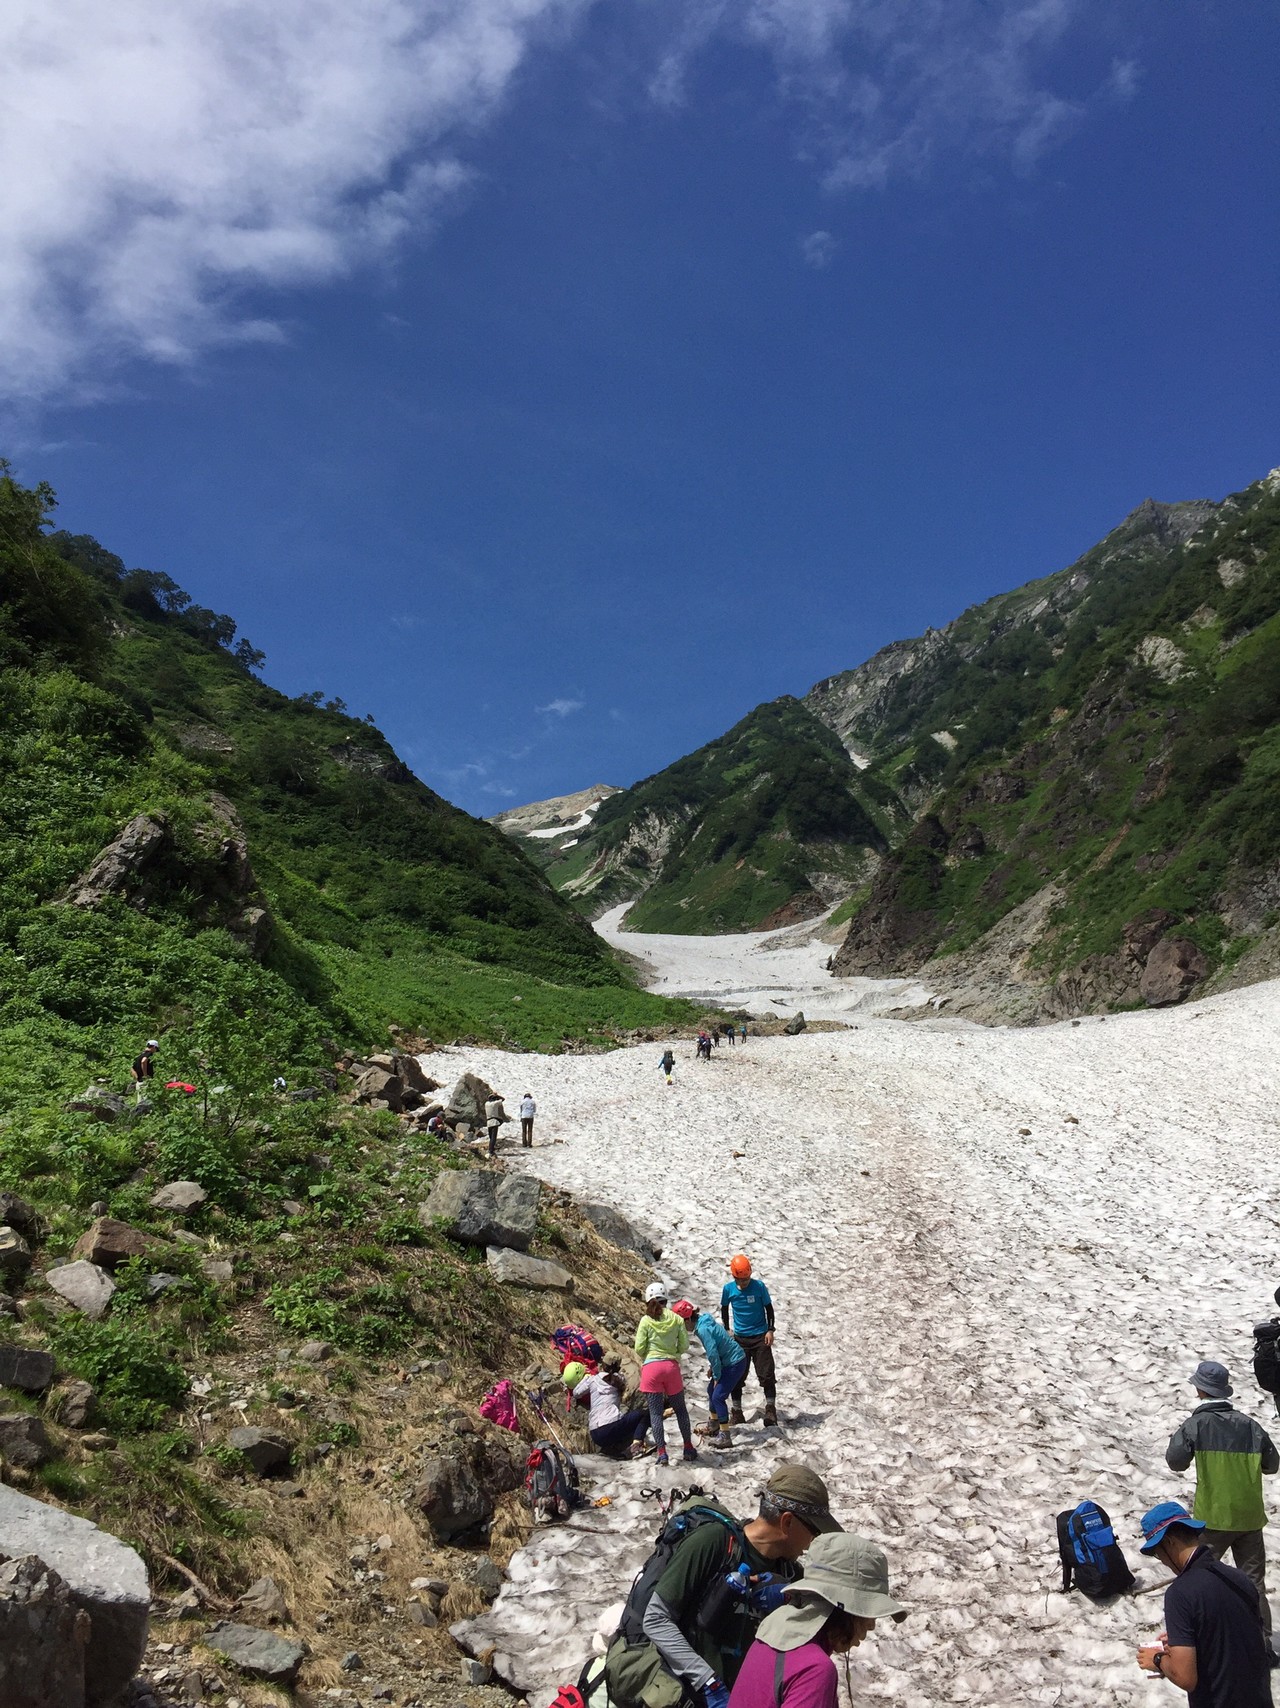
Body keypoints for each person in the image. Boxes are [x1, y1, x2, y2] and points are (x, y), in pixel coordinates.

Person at [629, 1464, 841, 1708]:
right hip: (688, 1695)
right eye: (814, 1531)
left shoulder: (790, 1573)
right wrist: (708, 1682)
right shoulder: (712, 1543)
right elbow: (656, 1619)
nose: (814, 1542)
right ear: (787, 1522)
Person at [729, 1530, 908, 1708]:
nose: (871, 1625)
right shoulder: (814, 1670)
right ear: (844, 1609)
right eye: (867, 1612)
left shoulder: (768, 1637)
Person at [1167, 1360, 1279, 1643]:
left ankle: (1207, 1640)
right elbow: (1272, 1465)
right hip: (1250, 1517)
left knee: (1203, 1581)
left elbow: (1175, 1461)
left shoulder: (1196, 1425)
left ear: (1200, 1391)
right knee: (1253, 1583)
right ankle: (1262, 1642)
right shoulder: (1250, 1425)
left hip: (1213, 1517)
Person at [1135, 1500, 1273, 1705]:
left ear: (1170, 1542)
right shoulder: (1239, 1578)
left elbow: (1185, 1678)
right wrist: (1187, 1640)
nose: (1162, 1560)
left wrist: (1157, 1660)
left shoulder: (1180, 1594)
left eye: (1157, 1552)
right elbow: (1234, 1639)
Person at [634, 1282, 696, 1466]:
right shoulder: (676, 1319)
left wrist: (649, 1355)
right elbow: (684, 1345)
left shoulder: (646, 1320)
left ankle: (662, 1453)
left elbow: (639, 1348)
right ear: (666, 1298)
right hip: (671, 1368)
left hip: (651, 1370)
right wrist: (674, 1354)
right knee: (680, 1409)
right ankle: (687, 1447)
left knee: (655, 1413)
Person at [673, 1299, 748, 1450]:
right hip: (730, 1361)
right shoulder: (703, 1321)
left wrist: (716, 1375)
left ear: (687, 1320)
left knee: (718, 1396)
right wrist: (714, 1369)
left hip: (734, 1363)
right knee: (711, 1390)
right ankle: (714, 1424)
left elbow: (713, 1353)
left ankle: (725, 1435)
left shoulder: (702, 1330)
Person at [722, 1255, 778, 1428]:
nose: (745, 1282)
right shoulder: (728, 1289)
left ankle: (770, 1410)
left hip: (760, 1337)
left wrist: (770, 1330)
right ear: (734, 1277)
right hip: (740, 1338)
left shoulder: (759, 1287)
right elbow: (724, 1308)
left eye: (747, 1278)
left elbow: (769, 1309)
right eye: (741, 1279)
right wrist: (726, 1329)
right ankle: (737, 1412)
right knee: (736, 1376)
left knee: (767, 1374)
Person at [566, 1357, 651, 1458]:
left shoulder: (592, 1380)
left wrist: (587, 1377)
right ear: (618, 1368)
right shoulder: (620, 1380)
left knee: (620, 1422)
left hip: (595, 1433)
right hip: (610, 1428)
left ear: (602, 1365)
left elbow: (576, 1393)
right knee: (643, 1414)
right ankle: (636, 1446)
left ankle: (614, 1450)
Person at [484, 1093, 508, 1158]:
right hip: (494, 1122)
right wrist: (497, 1095)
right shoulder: (495, 1104)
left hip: (488, 1122)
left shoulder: (486, 1104)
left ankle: (491, 1149)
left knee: (490, 1137)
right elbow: (503, 1099)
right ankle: (491, 1151)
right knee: (493, 1138)